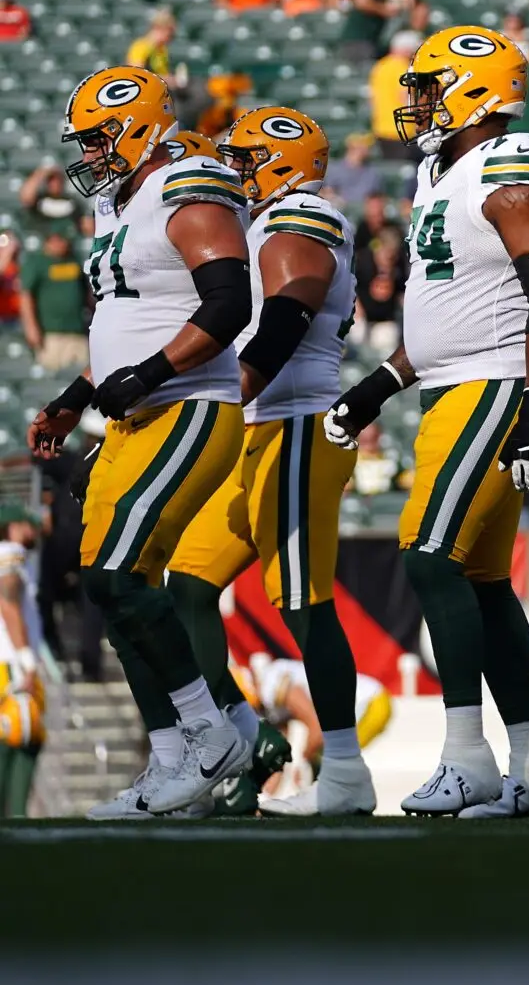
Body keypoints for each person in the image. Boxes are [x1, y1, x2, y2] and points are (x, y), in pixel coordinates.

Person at [321, 26, 529, 818]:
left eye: (430, 86)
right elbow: (444, 320)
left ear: (476, 90)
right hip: (452, 386)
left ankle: (467, 755)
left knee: (429, 555)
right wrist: (376, 387)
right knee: (482, 580)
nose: (417, 103)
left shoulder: (509, 165)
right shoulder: (448, 172)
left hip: (495, 389)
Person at [28, 68, 255, 818]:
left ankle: (211, 729)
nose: (91, 153)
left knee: (123, 576)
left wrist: (153, 371)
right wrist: (75, 399)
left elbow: (229, 303)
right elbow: (123, 321)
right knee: (108, 586)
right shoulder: (116, 205)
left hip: (189, 405)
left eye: (98, 135)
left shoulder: (188, 187)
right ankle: (168, 762)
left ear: (141, 125)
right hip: (133, 414)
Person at [151, 108, 369, 816]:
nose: (233, 172)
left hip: (297, 425)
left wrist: (231, 389)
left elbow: (287, 312)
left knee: (305, 604)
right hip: (258, 431)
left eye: (244, 160)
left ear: (280, 165)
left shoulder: (300, 218)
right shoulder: (264, 222)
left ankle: (342, 770)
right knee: (184, 584)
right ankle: (239, 742)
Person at [0, 513, 46, 817]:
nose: (34, 529)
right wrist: (27, 662)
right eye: (27, 524)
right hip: (11, 663)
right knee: (21, 735)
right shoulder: (10, 554)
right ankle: (15, 818)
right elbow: (9, 604)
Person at [18, 229, 88, 371]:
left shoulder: (75, 260)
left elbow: (87, 293)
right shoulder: (37, 263)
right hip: (51, 334)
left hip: (78, 332)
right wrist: (31, 327)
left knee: (84, 383)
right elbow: (25, 296)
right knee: (52, 378)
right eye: (56, 240)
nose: (60, 244)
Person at [340, 0, 413, 63]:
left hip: (372, 41)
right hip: (358, 41)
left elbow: (410, 2)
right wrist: (384, 10)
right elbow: (361, 2)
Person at [367, 30, 421, 162]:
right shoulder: (401, 67)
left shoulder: (380, 66)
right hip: (402, 131)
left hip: (381, 129)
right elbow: (405, 98)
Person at [124, 9, 174, 76]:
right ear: (158, 28)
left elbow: (164, 73)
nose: (170, 39)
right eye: (169, 35)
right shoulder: (140, 46)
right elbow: (136, 74)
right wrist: (169, 80)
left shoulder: (162, 49)